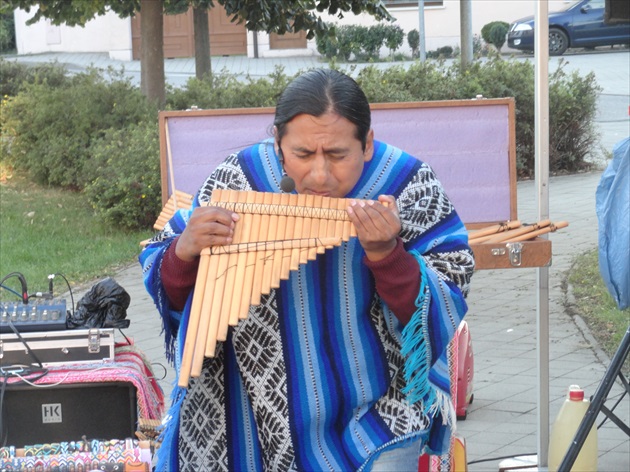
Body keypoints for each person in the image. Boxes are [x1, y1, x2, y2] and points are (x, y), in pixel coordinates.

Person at [140, 69, 475, 471]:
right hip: (249, 415)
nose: (319, 175)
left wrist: (390, 256)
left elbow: (448, 294)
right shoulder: (241, 178)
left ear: (367, 144)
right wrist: (185, 250)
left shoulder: (407, 184)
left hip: (379, 412)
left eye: (337, 155)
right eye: (302, 155)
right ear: (279, 144)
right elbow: (168, 283)